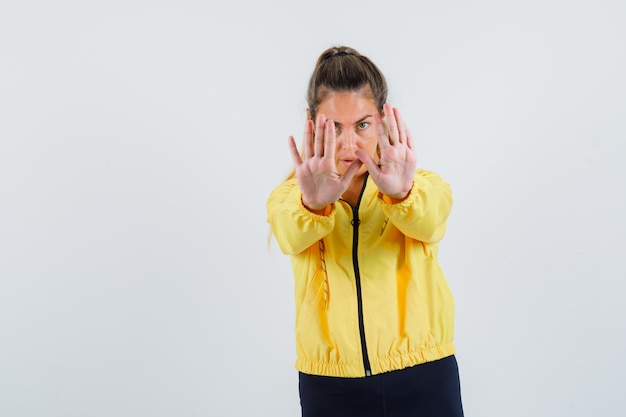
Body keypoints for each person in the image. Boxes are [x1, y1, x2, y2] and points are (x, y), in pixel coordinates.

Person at [266, 45, 464, 417]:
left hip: (424, 375)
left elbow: (432, 220)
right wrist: (314, 205)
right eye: (333, 127)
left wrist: (400, 193)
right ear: (312, 123)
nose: (348, 144)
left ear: (383, 120)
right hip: (330, 387)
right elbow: (288, 234)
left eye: (362, 125)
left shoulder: (421, 186)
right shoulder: (292, 197)